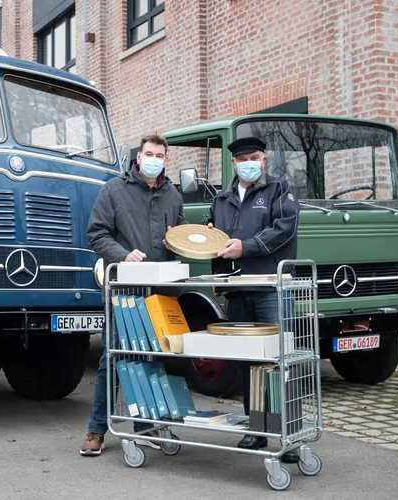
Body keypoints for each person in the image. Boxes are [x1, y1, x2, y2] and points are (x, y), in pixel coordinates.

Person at [79, 134, 185, 457]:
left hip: (159, 292)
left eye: (160, 155)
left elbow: (179, 235)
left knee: (153, 357)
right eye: (149, 154)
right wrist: (123, 255)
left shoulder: (173, 196)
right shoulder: (114, 191)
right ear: (138, 158)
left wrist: (185, 243)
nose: (154, 159)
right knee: (112, 358)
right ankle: (97, 430)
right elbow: (96, 233)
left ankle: (146, 426)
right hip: (123, 290)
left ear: (166, 160)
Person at [207, 136, 300, 462]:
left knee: (280, 362)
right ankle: (257, 430)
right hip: (238, 292)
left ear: (264, 159)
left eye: (255, 157)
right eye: (243, 158)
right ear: (233, 163)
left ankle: (291, 435)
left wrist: (246, 247)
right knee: (249, 366)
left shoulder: (279, 190)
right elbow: (214, 241)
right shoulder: (221, 199)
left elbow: (284, 229)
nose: (250, 162)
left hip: (271, 289)